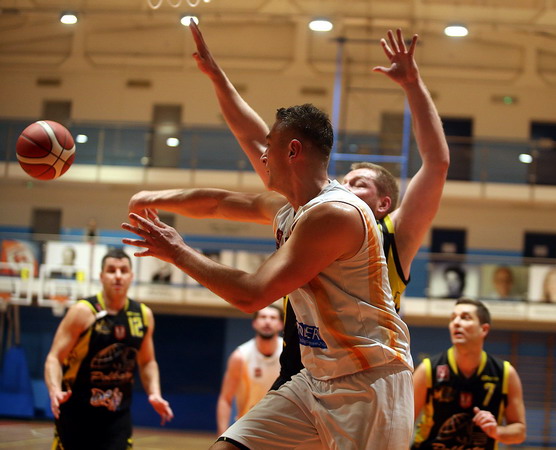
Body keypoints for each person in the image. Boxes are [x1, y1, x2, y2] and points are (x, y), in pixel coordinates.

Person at [123, 103, 414, 447]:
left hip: (370, 381)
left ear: (292, 151)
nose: (263, 156)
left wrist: (177, 251)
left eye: (270, 146)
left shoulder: (335, 213)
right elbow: (219, 203)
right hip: (315, 379)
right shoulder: (291, 210)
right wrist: (151, 197)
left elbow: (252, 293)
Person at [188, 20, 450, 389]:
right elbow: (257, 140)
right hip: (300, 367)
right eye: (345, 181)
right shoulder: (313, 210)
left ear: (383, 204)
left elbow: (436, 163)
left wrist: (413, 84)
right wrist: (217, 77)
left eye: (359, 185)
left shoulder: (395, 236)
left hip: (361, 372)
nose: (345, 189)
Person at [44, 247, 173, 450]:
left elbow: (147, 361)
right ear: (101, 276)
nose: (118, 276)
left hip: (117, 417)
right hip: (76, 413)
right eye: (111, 270)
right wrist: (54, 391)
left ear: (131, 276)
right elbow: (54, 358)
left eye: (123, 270)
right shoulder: (82, 312)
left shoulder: (143, 315)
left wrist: (154, 393)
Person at [412, 298, 526, 449]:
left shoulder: (505, 373)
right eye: (453, 318)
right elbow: (403, 422)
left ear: (484, 329)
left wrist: (496, 431)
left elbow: (519, 432)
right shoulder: (427, 369)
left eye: (465, 318)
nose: (456, 323)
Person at [217, 305, 283, 436]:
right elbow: (225, 398)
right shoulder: (240, 356)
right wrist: (221, 436)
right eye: (263, 317)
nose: (267, 321)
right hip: (248, 428)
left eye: (273, 318)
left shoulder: (289, 353)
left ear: (281, 324)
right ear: (254, 323)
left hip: (282, 427)